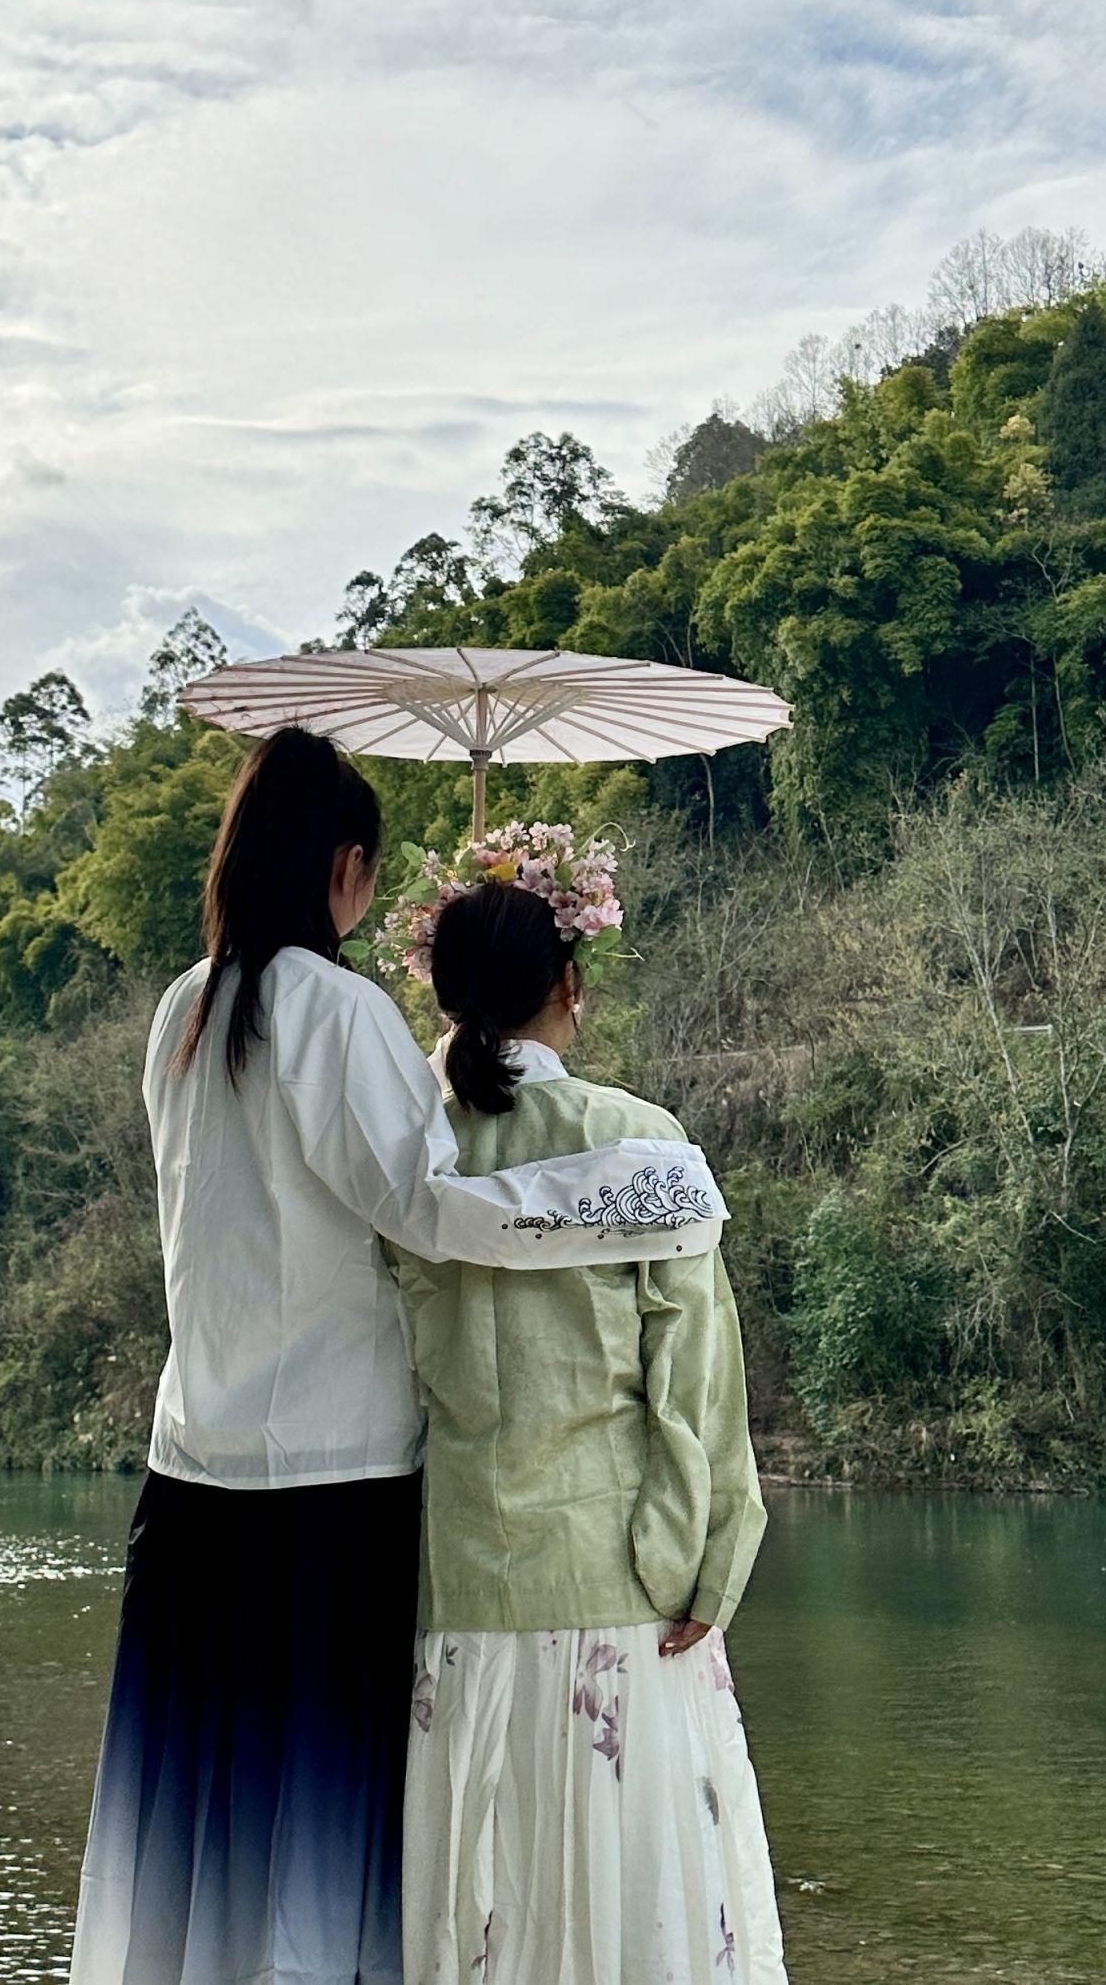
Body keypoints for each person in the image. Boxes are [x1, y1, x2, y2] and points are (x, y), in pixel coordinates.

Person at [69, 729, 729, 1985]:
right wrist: (643, 1199)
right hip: (329, 1480)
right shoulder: (336, 1008)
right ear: (346, 868)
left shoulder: (183, 1009)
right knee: (326, 1827)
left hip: (190, 1473)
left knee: (197, 1815)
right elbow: (430, 1207)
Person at [392, 873, 786, 1985]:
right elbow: (698, 1386)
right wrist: (712, 1561)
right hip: (619, 1584)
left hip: (457, 1584)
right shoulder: (637, 1141)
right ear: (567, 984)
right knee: (628, 1912)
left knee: (484, 1903)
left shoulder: (407, 1155)